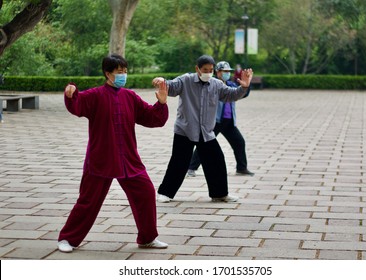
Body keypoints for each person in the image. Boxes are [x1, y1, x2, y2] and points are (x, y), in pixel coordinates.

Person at [57, 54, 169, 253]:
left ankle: (147, 238)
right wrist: (71, 92)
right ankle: (68, 239)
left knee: (146, 192)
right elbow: (77, 104)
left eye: (125, 71)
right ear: (107, 74)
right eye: (119, 72)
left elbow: (153, 119)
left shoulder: (130, 97)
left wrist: (161, 103)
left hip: (129, 159)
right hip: (101, 158)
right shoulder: (95, 95)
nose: (123, 75)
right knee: (88, 200)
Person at [153, 55, 253, 203]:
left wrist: (244, 86)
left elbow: (230, 95)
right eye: (205, 70)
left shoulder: (216, 84)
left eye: (211, 70)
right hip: (185, 130)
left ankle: (219, 194)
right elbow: (171, 87)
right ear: (197, 69)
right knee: (178, 162)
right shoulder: (186, 80)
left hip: (206, 131)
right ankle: (165, 193)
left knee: (217, 160)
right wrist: (161, 81)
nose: (208, 72)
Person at [187, 61, 254, 177]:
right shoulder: (211, 84)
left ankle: (242, 168)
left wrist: (246, 85)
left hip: (229, 121)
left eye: (228, 71)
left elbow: (242, 93)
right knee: (204, 144)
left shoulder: (231, 84)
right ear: (217, 72)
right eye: (225, 71)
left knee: (239, 142)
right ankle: (191, 168)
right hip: (215, 121)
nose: (227, 73)